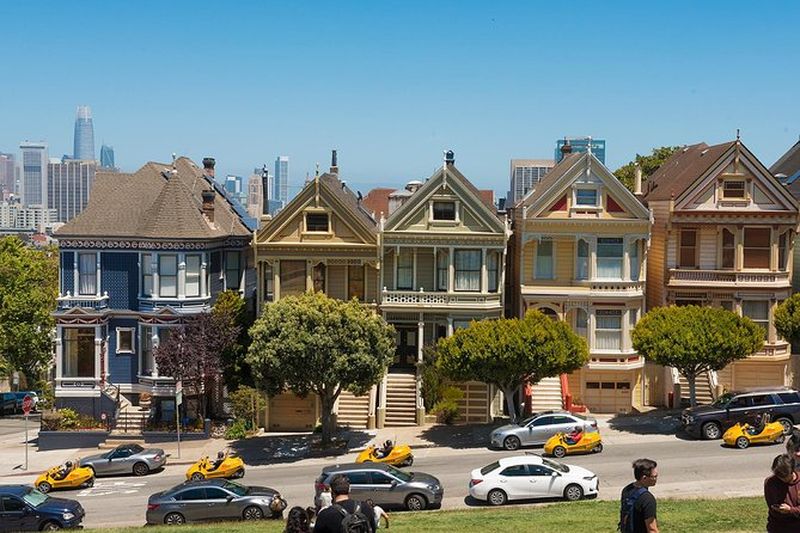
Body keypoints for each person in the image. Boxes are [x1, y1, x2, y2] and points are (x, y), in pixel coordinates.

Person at [619, 458, 659, 533]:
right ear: (644, 478)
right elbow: (652, 529)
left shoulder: (626, 490)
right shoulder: (647, 499)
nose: (656, 479)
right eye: (654, 476)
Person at [764, 454, 800, 532]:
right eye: (778, 476)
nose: (781, 479)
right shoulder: (770, 482)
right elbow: (773, 507)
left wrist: (791, 510)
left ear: (792, 471)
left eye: (784, 476)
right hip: (778, 527)